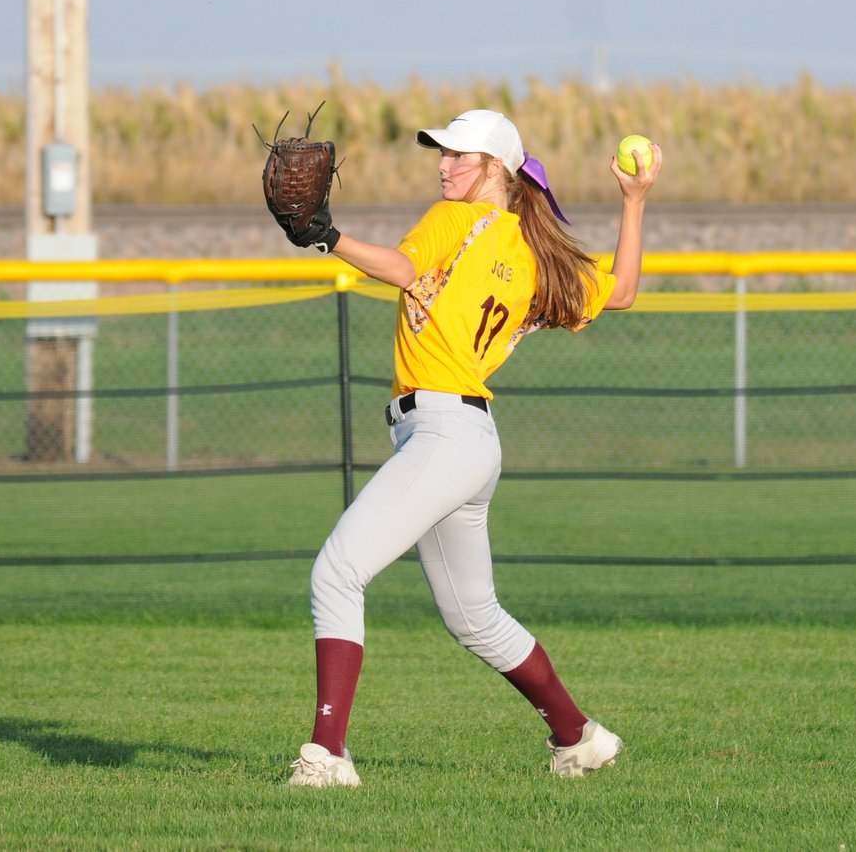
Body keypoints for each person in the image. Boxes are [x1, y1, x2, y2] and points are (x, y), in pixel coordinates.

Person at [275, 109, 662, 787]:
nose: (444, 165)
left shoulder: (455, 219)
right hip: (469, 442)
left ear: (496, 170)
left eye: (459, 155)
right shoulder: (537, 256)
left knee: (337, 573)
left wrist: (327, 237)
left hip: (443, 433)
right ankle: (579, 737)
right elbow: (623, 291)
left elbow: (399, 268)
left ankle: (327, 755)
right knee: (475, 617)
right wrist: (636, 202)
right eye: (442, 153)